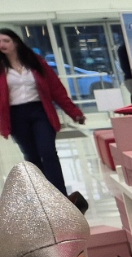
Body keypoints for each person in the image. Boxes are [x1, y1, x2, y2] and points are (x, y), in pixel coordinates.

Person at [0, 29, 84, 195]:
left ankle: (60, 195)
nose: (2, 45)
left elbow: (56, 89)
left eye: (6, 41)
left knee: (48, 152)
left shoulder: (35, 62)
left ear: (15, 42)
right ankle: (43, 196)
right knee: (32, 157)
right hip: (16, 115)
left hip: (40, 112)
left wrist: (74, 112)